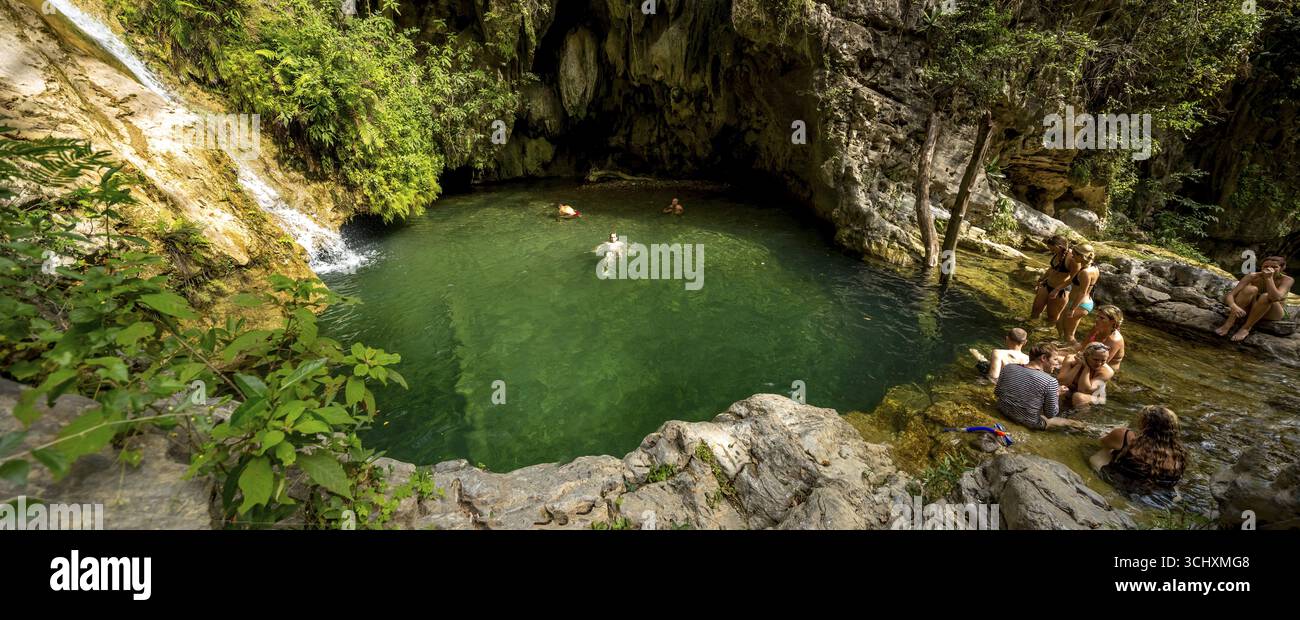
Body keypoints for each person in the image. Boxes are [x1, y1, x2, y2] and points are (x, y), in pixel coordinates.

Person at [1089, 405, 1186, 492]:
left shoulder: (1126, 435)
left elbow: (1101, 442)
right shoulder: (1179, 453)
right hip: (1157, 494)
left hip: (1121, 485)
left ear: (1145, 424)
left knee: (1107, 451)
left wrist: (1112, 434)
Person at [994, 341, 1084, 430]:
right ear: (1044, 358)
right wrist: (1055, 393)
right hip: (1029, 422)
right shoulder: (1050, 381)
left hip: (1002, 411)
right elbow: (1051, 414)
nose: (1057, 363)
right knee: (1072, 423)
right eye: (1055, 359)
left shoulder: (1009, 367)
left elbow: (997, 392)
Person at [1215, 255, 1295, 342]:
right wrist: (1233, 306)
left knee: (1266, 296)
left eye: (1274, 267)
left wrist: (1269, 278)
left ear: (1282, 268)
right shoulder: (1253, 276)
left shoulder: (1287, 280)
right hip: (1252, 308)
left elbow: (1275, 298)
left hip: (1273, 312)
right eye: (1266, 266)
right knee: (1250, 289)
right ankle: (1229, 323)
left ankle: (1246, 328)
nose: (1269, 269)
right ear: (1261, 267)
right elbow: (1231, 295)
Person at [1057, 243, 1099, 343]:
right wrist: (1056, 289)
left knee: (1069, 334)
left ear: (1082, 256)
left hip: (1080, 304)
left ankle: (1074, 350)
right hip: (1078, 302)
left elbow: (1082, 292)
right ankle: (1062, 342)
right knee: (1059, 323)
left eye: (1075, 254)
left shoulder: (1085, 272)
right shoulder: (1091, 266)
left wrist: (1072, 309)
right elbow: (1072, 280)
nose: (1072, 256)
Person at [1030, 235, 1077, 323]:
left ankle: (1047, 331)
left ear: (1059, 247)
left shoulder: (1072, 258)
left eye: (1052, 249)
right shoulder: (1057, 253)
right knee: (1035, 310)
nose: (1051, 251)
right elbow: (1052, 268)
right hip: (1047, 284)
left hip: (1060, 291)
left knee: (1052, 317)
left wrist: (1057, 289)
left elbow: (1073, 278)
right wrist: (1041, 279)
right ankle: (1030, 324)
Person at [1056, 341, 1114, 411]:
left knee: (1078, 397)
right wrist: (1078, 365)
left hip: (1093, 396)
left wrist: (1086, 368)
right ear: (1085, 355)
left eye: (1103, 360)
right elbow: (1062, 382)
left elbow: (1084, 390)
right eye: (1095, 360)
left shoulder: (1107, 371)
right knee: (1057, 389)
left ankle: (1079, 420)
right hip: (1071, 390)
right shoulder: (1070, 359)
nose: (1099, 363)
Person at [1082, 305, 1126, 372]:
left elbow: (1099, 364)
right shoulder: (1096, 328)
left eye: (1102, 318)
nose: (1097, 319)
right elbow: (1082, 346)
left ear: (1113, 322)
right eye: (1097, 316)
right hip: (1088, 360)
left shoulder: (1114, 340)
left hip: (1103, 371)